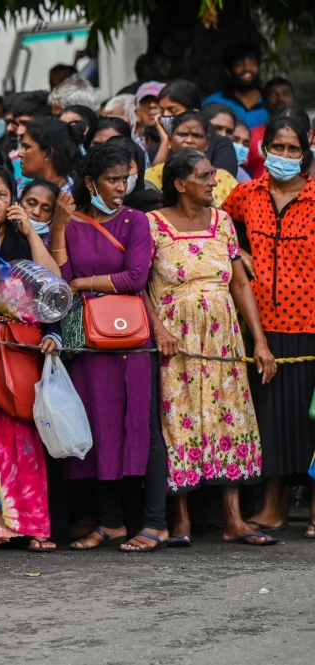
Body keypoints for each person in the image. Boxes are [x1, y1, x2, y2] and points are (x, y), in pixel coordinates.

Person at [146, 149, 278, 547]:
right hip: (177, 341)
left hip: (222, 338)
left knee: (228, 416)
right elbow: (140, 285)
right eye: (204, 176)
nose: (213, 182)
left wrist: (260, 341)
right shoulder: (153, 225)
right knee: (179, 417)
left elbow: (239, 284)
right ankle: (181, 520)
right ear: (180, 183)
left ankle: (234, 519)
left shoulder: (222, 223)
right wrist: (158, 332)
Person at [49, 145, 170, 553]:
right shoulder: (71, 221)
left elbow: (136, 277)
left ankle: (156, 522)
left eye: (126, 179)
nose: (121, 188)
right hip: (88, 336)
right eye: (112, 180)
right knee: (98, 425)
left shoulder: (137, 221)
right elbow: (60, 278)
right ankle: (111, 522)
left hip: (130, 340)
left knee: (143, 426)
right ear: (89, 183)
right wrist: (60, 229)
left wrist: (84, 284)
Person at [222, 116, 315, 539]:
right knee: (271, 419)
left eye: (293, 149)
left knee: (310, 419)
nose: (284, 156)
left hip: (309, 324)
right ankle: (273, 505)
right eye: (277, 147)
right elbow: (214, 230)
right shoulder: (245, 195)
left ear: (306, 150)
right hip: (261, 324)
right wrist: (240, 252)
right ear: (265, 149)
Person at [0, 166, 61, 551]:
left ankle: (31, 524)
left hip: (18, 350)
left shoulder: (23, 244)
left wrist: (29, 231)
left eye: (1, 195)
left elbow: (55, 279)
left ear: (13, 201)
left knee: (22, 432)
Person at [145, 113, 238, 207]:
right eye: (183, 134)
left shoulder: (225, 179)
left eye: (196, 135)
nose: (189, 140)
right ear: (170, 140)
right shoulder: (150, 175)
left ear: (207, 144)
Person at [155, 81, 238, 174]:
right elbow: (152, 181)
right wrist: (165, 144)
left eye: (173, 110)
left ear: (194, 112)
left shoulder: (219, 144)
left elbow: (223, 182)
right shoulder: (157, 148)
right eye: (162, 111)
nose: (166, 115)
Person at [202, 42, 268, 129]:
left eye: (252, 63)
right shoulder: (213, 102)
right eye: (239, 65)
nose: (247, 69)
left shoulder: (270, 101)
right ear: (228, 72)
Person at [18, 117, 83, 194]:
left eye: (27, 147)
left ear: (49, 154)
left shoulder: (76, 197)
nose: (20, 154)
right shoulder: (21, 192)